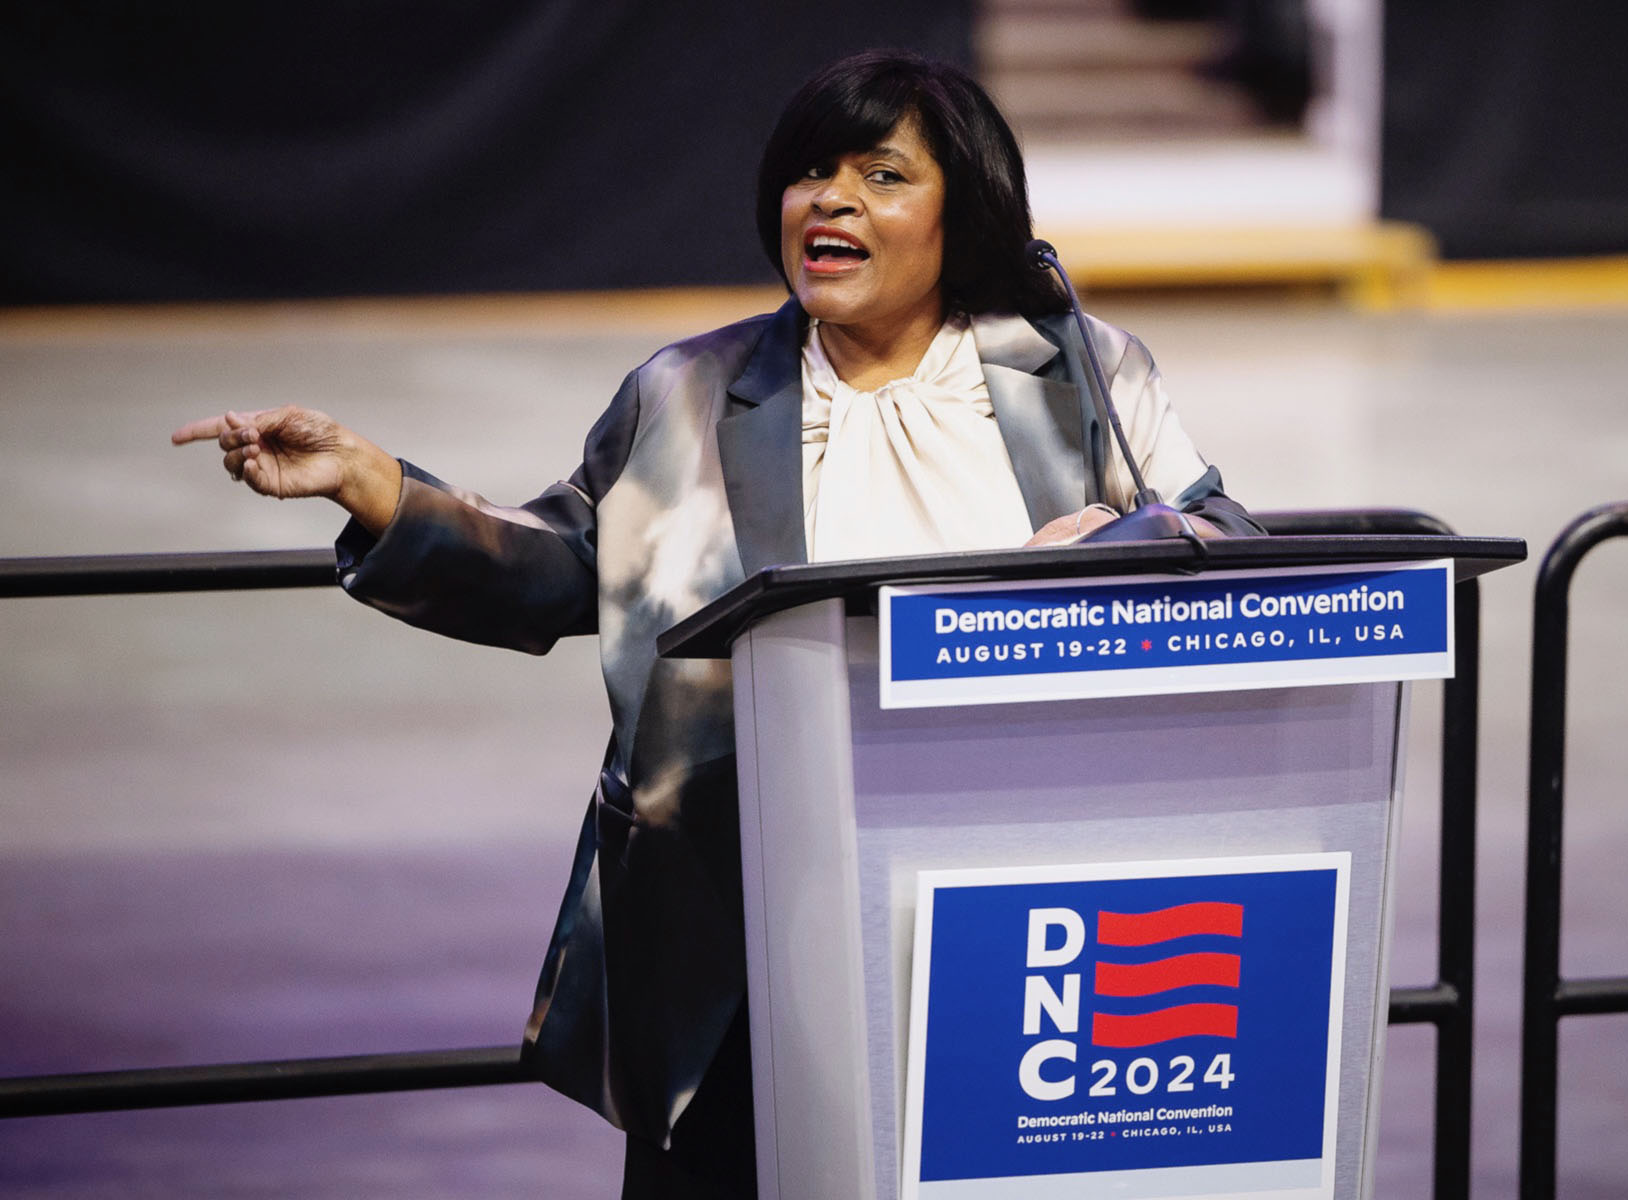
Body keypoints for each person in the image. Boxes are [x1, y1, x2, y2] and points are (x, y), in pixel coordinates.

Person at [173, 50, 1259, 1199]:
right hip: (745, 936)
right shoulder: (686, 392)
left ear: (968, 211)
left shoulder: (1078, 374)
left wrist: (1088, 563)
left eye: (881, 175)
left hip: (1024, 929)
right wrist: (374, 482)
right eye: (808, 173)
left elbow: (1219, 542)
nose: (827, 200)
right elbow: (562, 570)